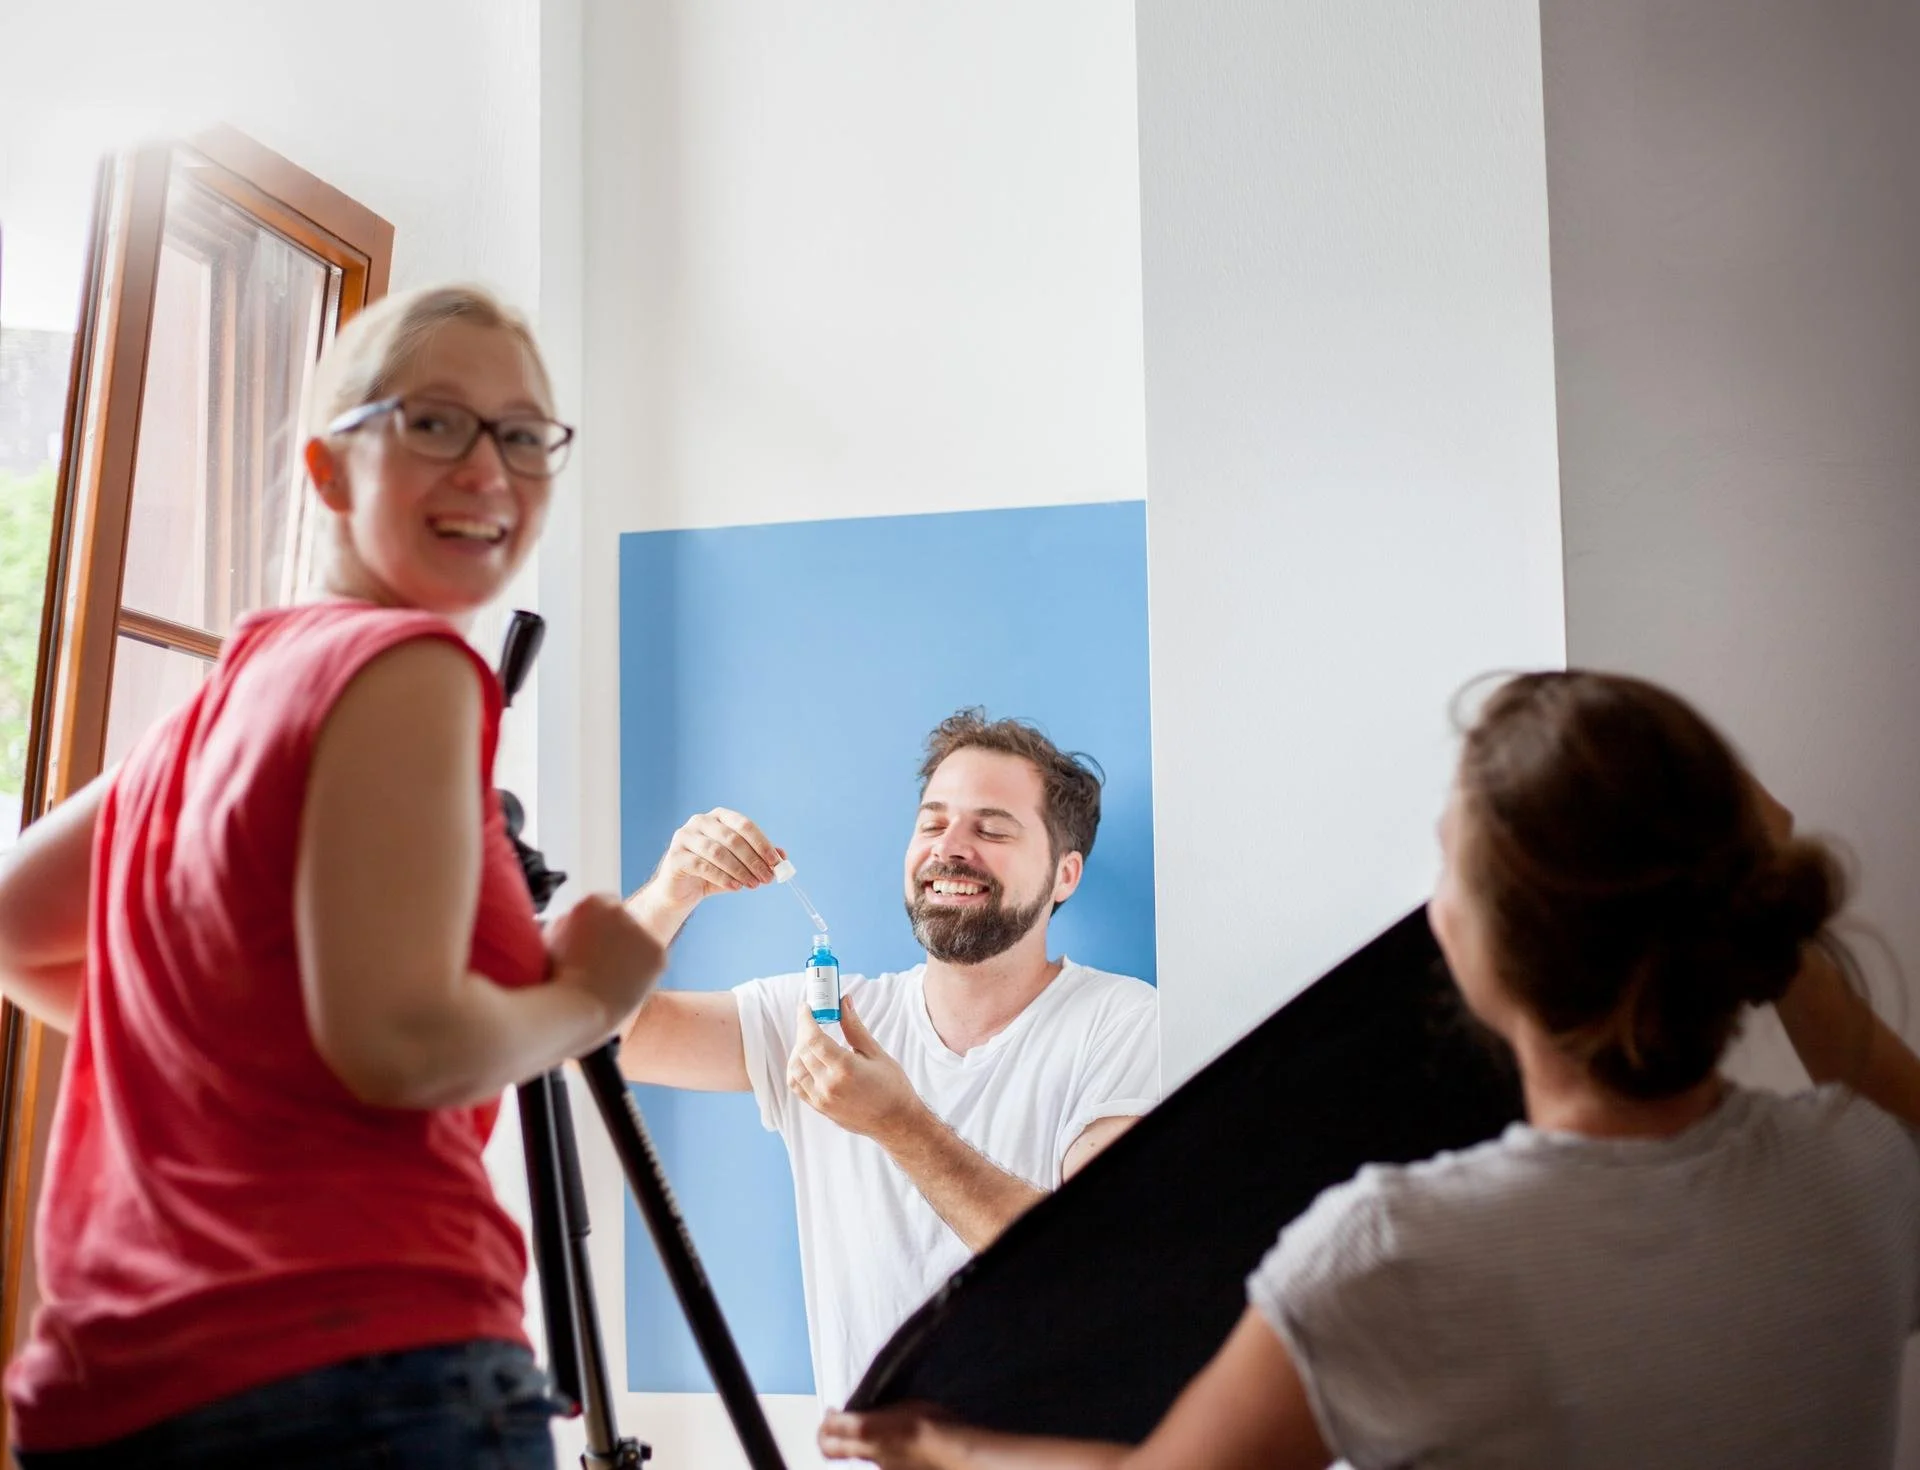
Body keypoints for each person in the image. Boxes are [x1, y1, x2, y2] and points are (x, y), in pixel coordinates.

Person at [819, 671, 1920, 1470]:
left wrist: (955, 1452)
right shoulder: (1860, 1169)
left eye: (1447, 866)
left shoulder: (1400, 1250)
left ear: (1483, 953)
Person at [0, 285, 664, 1468]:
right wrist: (586, 1002)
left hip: (122, 1385)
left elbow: (16, 930)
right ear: (325, 467)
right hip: (366, 1372)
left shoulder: (227, 696)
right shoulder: (411, 665)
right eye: (435, 423)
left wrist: (235, 1072)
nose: (490, 470)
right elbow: (401, 1046)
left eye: (524, 434)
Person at [620, 711, 1159, 1408]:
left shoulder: (1121, 1025)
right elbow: (593, 1039)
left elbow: (1089, 1268)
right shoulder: (821, 1023)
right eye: (932, 824)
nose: (950, 849)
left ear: (1065, 875)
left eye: (991, 828)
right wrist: (671, 895)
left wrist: (900, 1124)